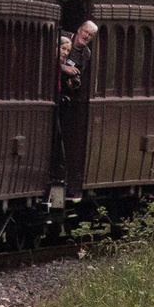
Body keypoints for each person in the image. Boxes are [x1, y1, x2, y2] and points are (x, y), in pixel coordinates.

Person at [53, 18, 97, 195]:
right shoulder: (63, 37)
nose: (86, 36)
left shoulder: (85, 53)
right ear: (79, 29)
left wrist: (72, 82)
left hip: (66, 98)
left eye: (90, 35)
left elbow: (80, 74)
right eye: (85, 32)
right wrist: (63, 68)